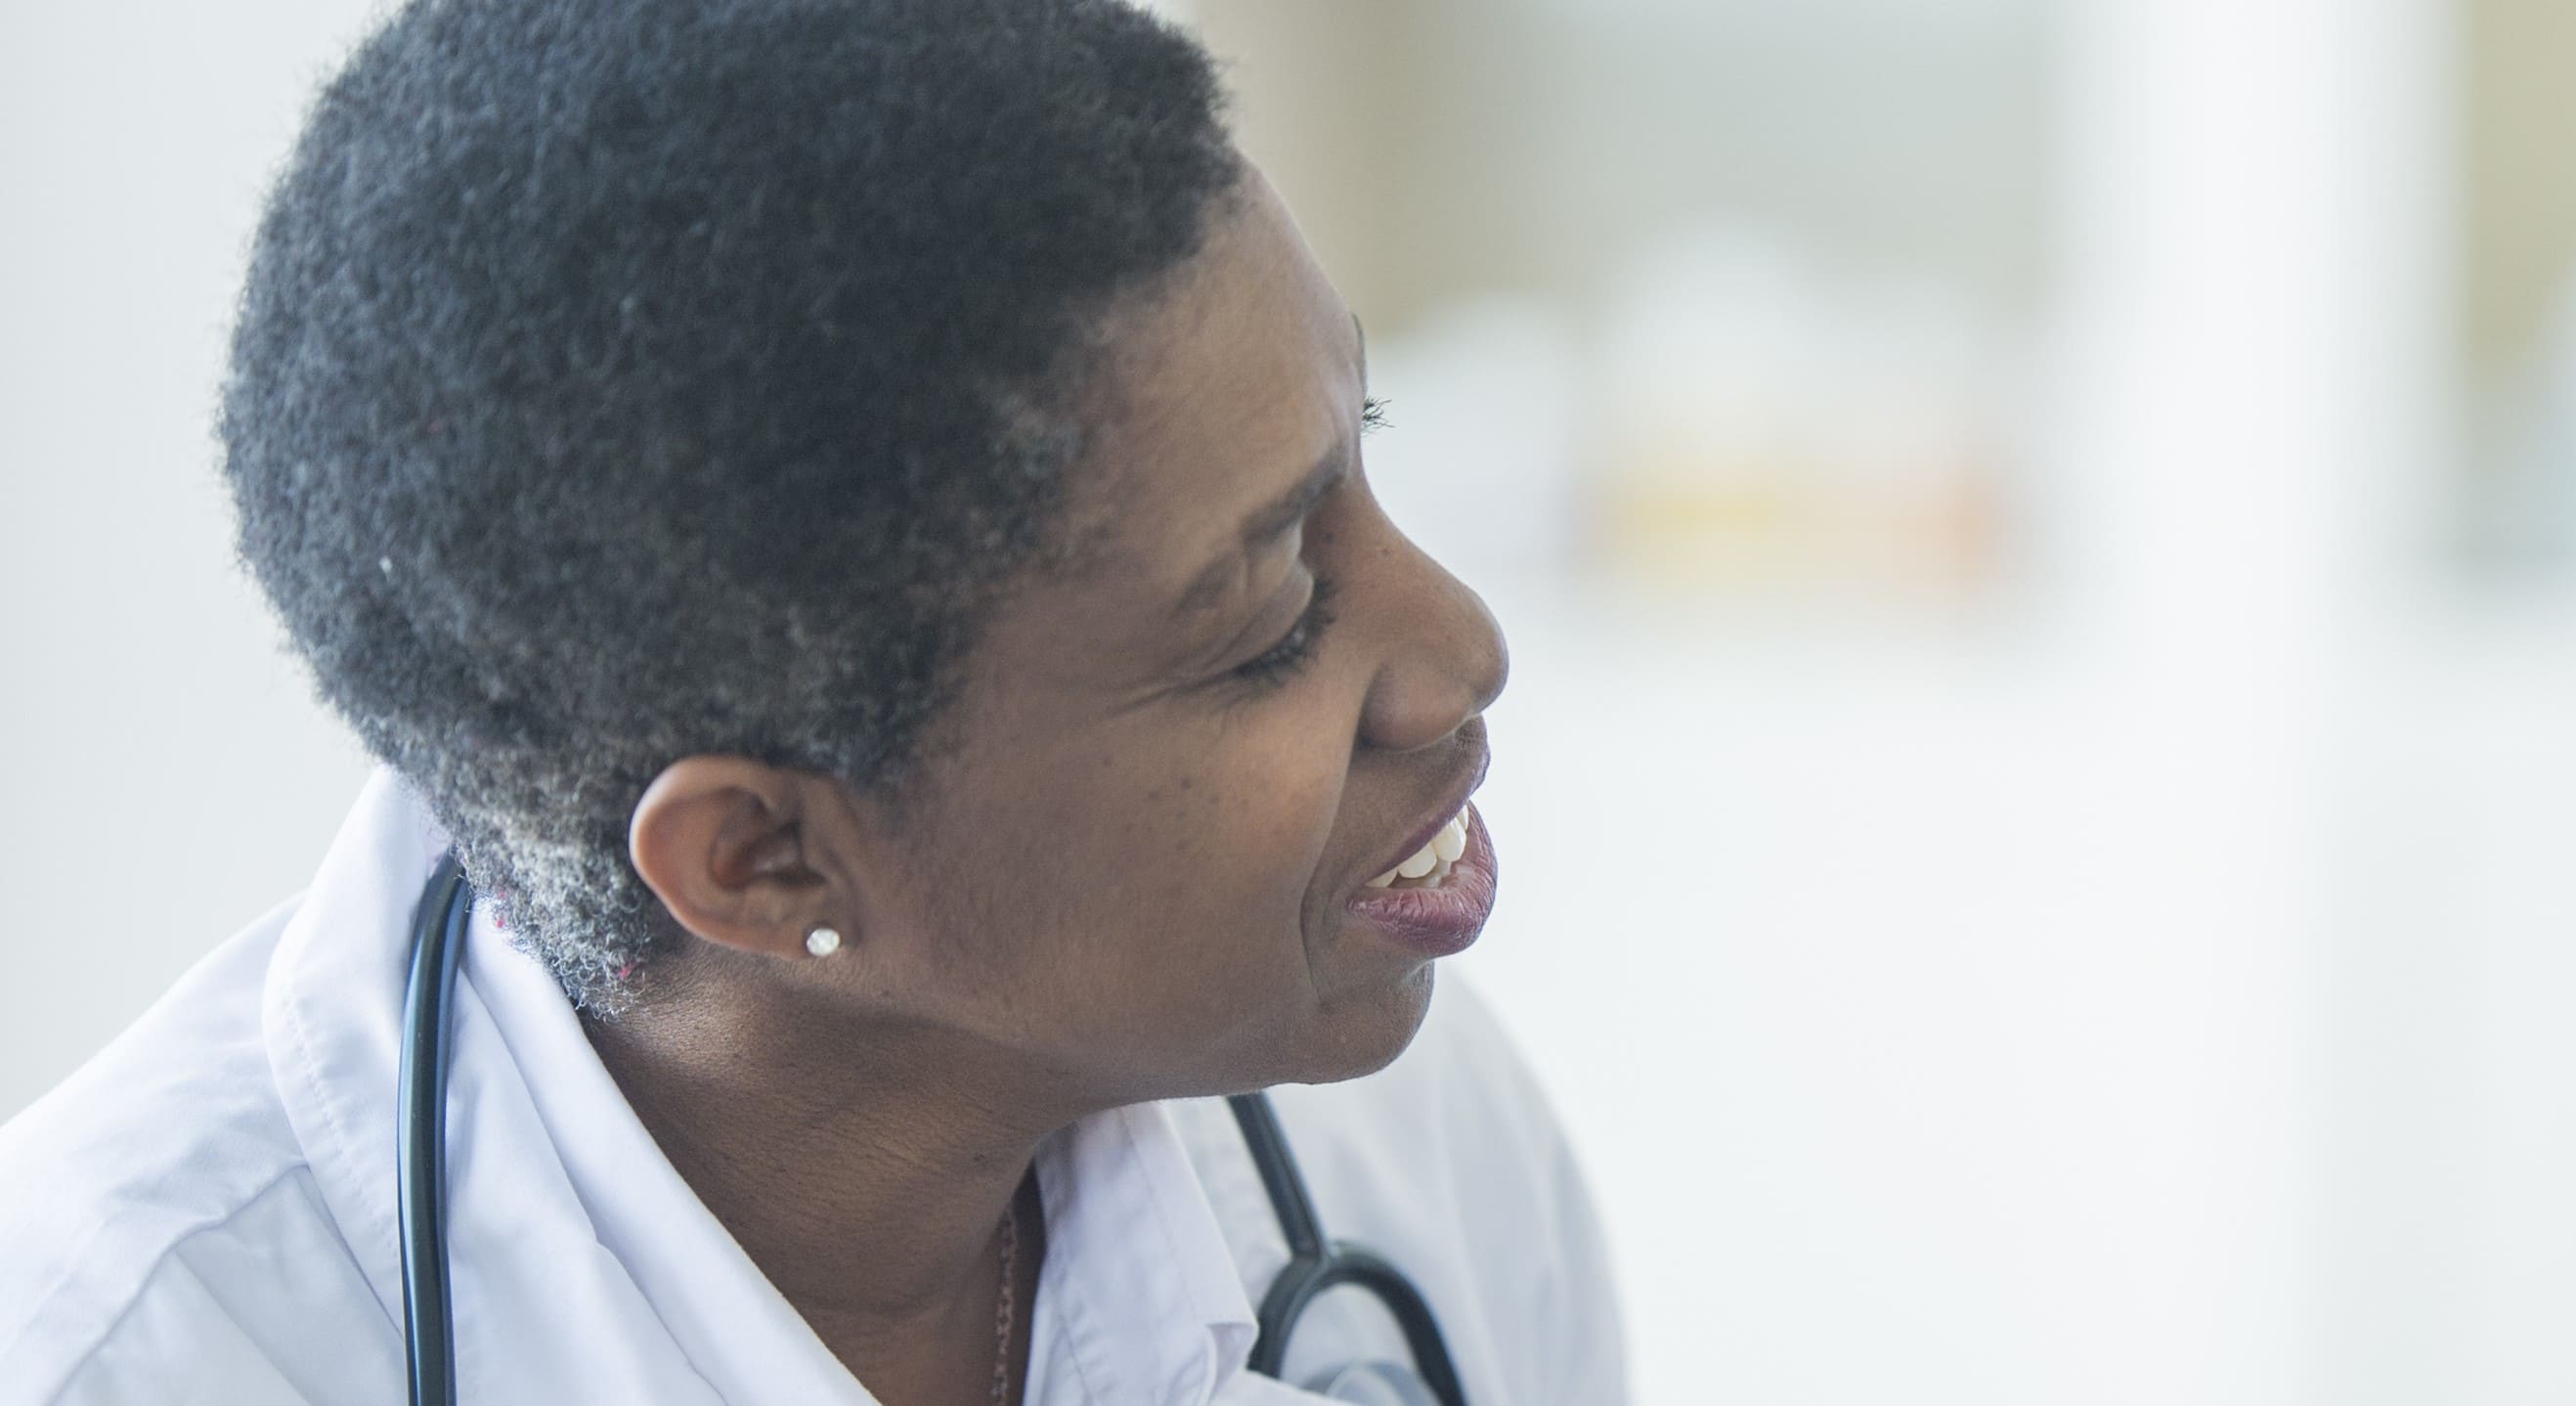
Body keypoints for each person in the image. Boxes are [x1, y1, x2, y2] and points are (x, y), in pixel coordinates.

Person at [0, 1, 1627, 1402]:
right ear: (765, 860)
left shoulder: (1410, 1140)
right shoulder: (129, 1351)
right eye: (1268, 610)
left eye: (1367, 442)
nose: (1462, 649)